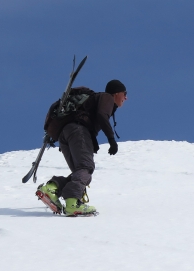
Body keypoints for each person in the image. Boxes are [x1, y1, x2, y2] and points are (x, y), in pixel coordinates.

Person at [37, 79, 127, 216]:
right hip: (78, 131)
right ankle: (72, 203)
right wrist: (111, 139)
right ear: (116, 93)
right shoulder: (107, 97)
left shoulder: (96, 100)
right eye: (124, 93)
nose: (126, 97)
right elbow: (102, 116)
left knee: (80, 173)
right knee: (86, 167)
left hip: (65, 135)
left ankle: (51, 188)